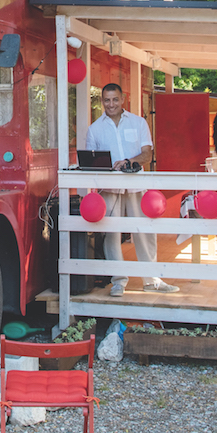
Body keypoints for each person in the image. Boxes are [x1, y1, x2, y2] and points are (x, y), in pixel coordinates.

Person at [85, 83, 177, 297]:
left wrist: (129, 161)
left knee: (144, 231)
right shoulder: (95, 128)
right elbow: (90, 161)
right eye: (107, 100)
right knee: (111, 235)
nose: (111, 104)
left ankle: (152, 280)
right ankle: (118, 281)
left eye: (115, 99)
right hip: (109, 188)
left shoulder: (138, 122)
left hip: (136, 185)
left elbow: (147, 154)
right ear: (102, 101)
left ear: (123, 98)